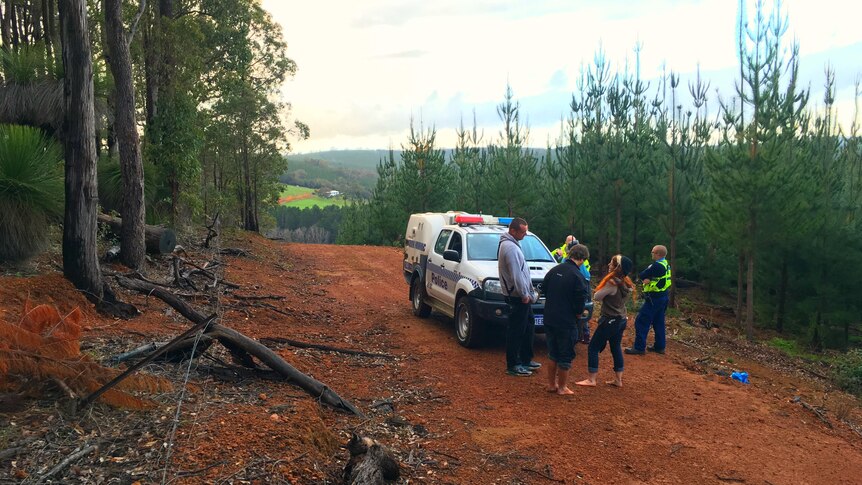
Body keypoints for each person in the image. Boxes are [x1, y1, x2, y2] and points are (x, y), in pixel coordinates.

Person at [576, 255, 635, 387]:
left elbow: (597, 297)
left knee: (593, 347)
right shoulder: (625, 282)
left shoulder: (612, 283)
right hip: (621, 319)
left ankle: (591, 379)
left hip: (610, 320)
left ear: (617, 268)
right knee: (615, 347)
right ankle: (618, 380)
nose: (609, 264)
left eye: (611, 263)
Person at [542, 243, 590, 394]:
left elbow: (543, 288)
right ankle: (562, 387)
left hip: (549, 317)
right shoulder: (578, 276)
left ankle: (551, 385)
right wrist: (578, 313)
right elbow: (580, 300)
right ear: (582, 259)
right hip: (566, 321)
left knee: (552, 352)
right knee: (565, 355)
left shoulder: (554, 270)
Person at [498, 217, 540, 376]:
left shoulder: (513, 245)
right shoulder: (510, 248)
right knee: (516, 330)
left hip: (521, 295)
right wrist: (524, 294)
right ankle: (513, 365)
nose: (525, 234)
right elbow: (516, 274)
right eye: (523, 232)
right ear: (513, 231)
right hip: (517, 297)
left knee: (528, 326)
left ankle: (525, 359)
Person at [626, 245, 672, 355]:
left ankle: (639, 348)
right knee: (658, 322)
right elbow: (646, 275)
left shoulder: (656, 266)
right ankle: (660, 346)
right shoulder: (665, 264)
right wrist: (648, 276)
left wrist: (647, 276)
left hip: (654, 298)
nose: (651, 254)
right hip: (663, 297)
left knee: (641, 321)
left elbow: (642, 275)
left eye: (653, 252)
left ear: (658, 254)